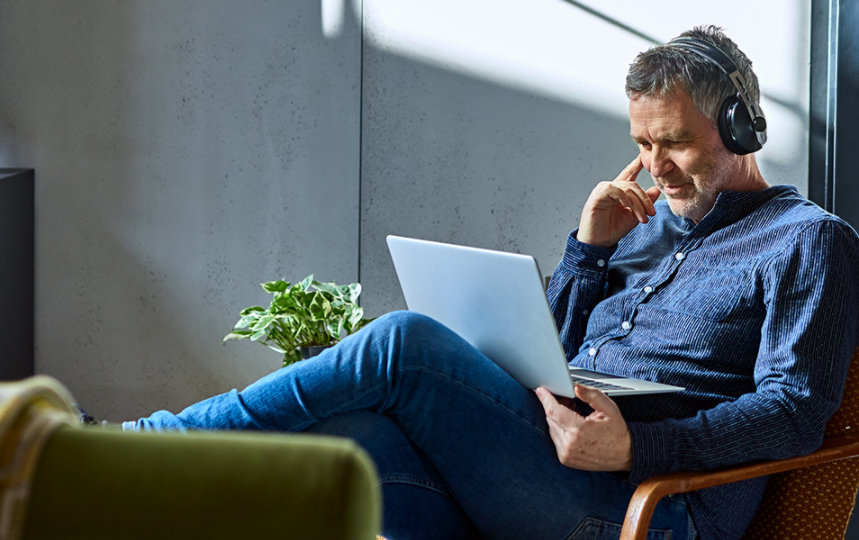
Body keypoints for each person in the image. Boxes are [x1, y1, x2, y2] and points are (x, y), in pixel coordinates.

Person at [121, 26, 859, 540]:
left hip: (648, 509)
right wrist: (588, 253)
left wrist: (634, 450)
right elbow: (544, 354)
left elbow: (792, 410)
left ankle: (135, 453)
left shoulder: (806, 240)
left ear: (739, 128)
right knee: (353, 437)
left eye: (674, 142)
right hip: (543, 475)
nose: (655, 165)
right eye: (641, 143)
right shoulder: (642, 229)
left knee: (403, 342)